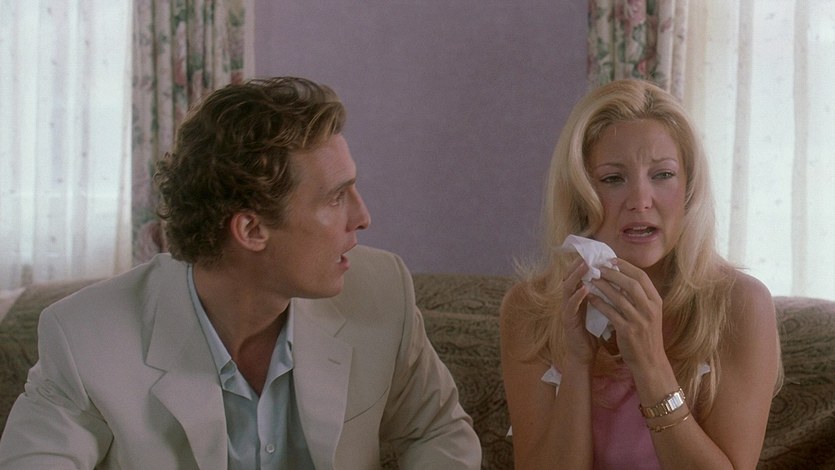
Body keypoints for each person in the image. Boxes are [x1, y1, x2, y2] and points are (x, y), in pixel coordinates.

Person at [0, 77, 481, 469]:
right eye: (336, 197)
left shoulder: (381, 291)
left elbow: (438, 432)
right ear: (251, 229)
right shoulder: (85, 337)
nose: (363, 217)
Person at [500, 79, 781, 469]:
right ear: (581, 193)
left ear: (688, 188)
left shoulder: (741, 306)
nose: (640, 201)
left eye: (662, 175)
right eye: (613, 179)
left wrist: (650, 361)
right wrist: (577, 362)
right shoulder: (530, 309)